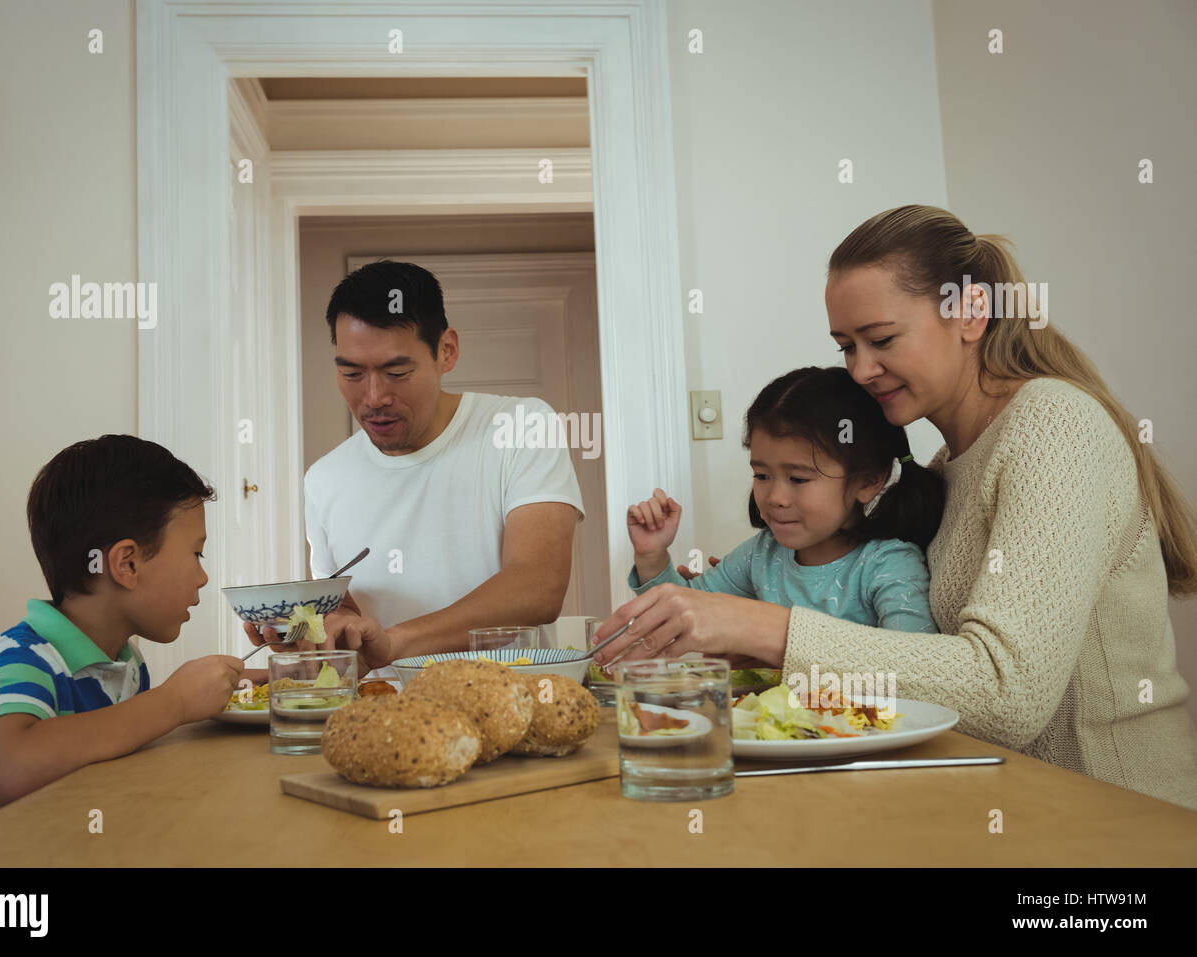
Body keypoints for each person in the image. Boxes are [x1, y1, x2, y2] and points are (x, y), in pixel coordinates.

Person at [594, 205, 1197, 810]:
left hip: (1115, 819)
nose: (859, 370)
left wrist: (763, 628)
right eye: (845, 346)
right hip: (1003, 803)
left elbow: (1008, 691)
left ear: (969, 314)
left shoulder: (1053, 427)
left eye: (881, 340)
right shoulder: (941, 469)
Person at [246, 260, 584, 669]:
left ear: (447, 351)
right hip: (381, 713)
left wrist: (394, 643)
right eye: (352, 373)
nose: (373, 397)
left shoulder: (523, 427)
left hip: (506, 707)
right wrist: (317, 631)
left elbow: (538, 587)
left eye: (397, 371)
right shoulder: (324, 479)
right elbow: (348, 614)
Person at [0, 435, 244, 843]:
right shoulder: (18, 661)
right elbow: (9, 767)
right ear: (126, 564)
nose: (203, 576)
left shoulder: (126, 664)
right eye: (196, 554)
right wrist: (173, 702)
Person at [619, 366, 942, 666]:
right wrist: (652, 556)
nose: (775, 497)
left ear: (868, 480)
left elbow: (915, 666)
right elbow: (681, 613)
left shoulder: (888, 565)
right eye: (761, 475)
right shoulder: (761, 555)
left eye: (798, 478)